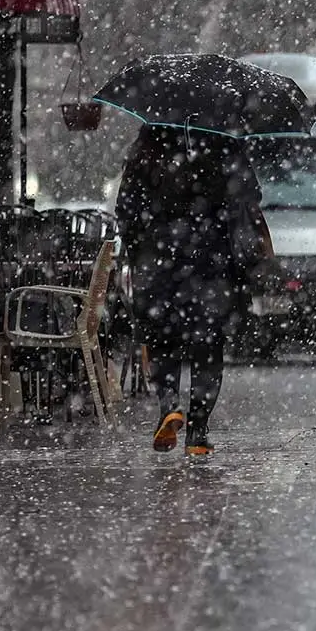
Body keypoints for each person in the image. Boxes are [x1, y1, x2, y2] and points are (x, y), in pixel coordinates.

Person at [116, 125, 271, 455]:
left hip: (158, 260)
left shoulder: (150, 143)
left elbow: (126, 206)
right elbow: (248, 197)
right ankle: (198, 433)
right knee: (208, 346)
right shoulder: (223, 140)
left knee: (162, 340)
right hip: (211, 261)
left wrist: (139, 245)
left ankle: (169, 405)